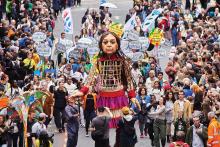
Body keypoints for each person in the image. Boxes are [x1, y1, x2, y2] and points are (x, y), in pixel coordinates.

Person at [72, 32, 138, 128]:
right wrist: (82, 92)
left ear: (117, 45)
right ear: (101, 45)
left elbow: (128, 79)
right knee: (103, 127)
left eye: (112, 42)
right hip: (104, 97)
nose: (109, 45)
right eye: (105, 42)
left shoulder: (123, 61)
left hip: (119, 97)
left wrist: (132, 95)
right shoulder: (98, 61)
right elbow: (90, 78)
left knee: (121, 126)